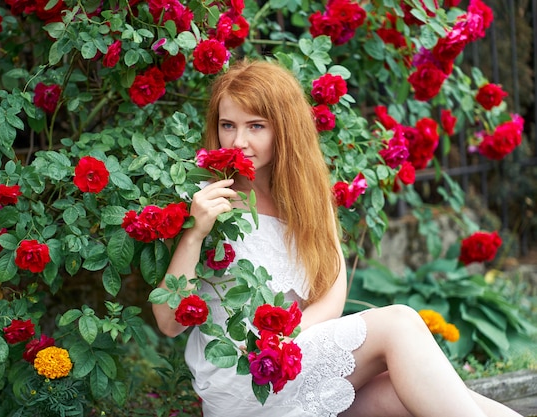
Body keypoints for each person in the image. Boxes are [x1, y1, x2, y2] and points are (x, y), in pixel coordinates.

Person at [151, 59, 522, 417]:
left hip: (292, 357)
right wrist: (195, 232)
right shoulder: (205, 197)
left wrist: (288, 341)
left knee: (406, 386)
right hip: (244, 378)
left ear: (284, 128)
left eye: (256, 126)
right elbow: (169, 323)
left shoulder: (307, 196)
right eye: (228, 125)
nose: (239, 141)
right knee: (399, 324)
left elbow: (332, 292)